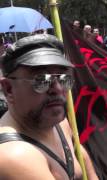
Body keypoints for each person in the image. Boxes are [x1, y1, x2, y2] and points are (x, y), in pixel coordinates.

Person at [0, 34, 98, 180]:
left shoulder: (59, 123)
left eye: (64, 78)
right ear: (9, 89)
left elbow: (80, 155)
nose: (58, 88)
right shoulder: (16, 155)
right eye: (41, 80)